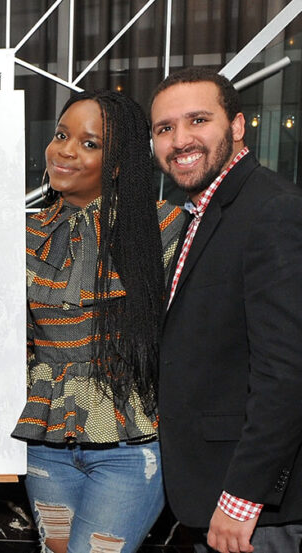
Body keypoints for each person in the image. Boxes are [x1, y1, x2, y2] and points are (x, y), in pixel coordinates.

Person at [12, 90, 185, 553]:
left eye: (89, 143)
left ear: (120, 162)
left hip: (131, 447)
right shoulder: (24, 235)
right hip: (44, 443)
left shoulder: (167, 228)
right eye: (61, 135)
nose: (65, 150)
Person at [151, 67, 302, 553]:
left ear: (237, 126)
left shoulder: (272, 210)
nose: (180, 140)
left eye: (198, 120)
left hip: (254, 511)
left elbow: (287, 372)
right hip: (210, 493)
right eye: (164, 128)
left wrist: (241, 498)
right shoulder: (204, 214)